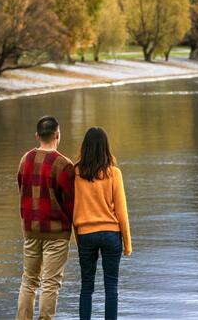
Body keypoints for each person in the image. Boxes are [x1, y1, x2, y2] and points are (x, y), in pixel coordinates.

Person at [15, 115, 76, 320]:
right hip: (56, 233)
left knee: (29, 280)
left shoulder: (26, 159)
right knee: (51, 282)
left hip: (31, 229)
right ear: (57, 134)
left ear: (37, 135)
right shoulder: (64, 164)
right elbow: (70, 202)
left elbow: (21, 189)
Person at [73, 127, 131, 320]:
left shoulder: (75, 173)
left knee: (86, 287)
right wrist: (128, 244)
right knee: (111, 287)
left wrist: (77, 237)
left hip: (86, 234)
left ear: (85, 148)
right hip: (111, 234)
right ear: (106, 147)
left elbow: (73, 209)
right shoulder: (114, 173)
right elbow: (121, 211)